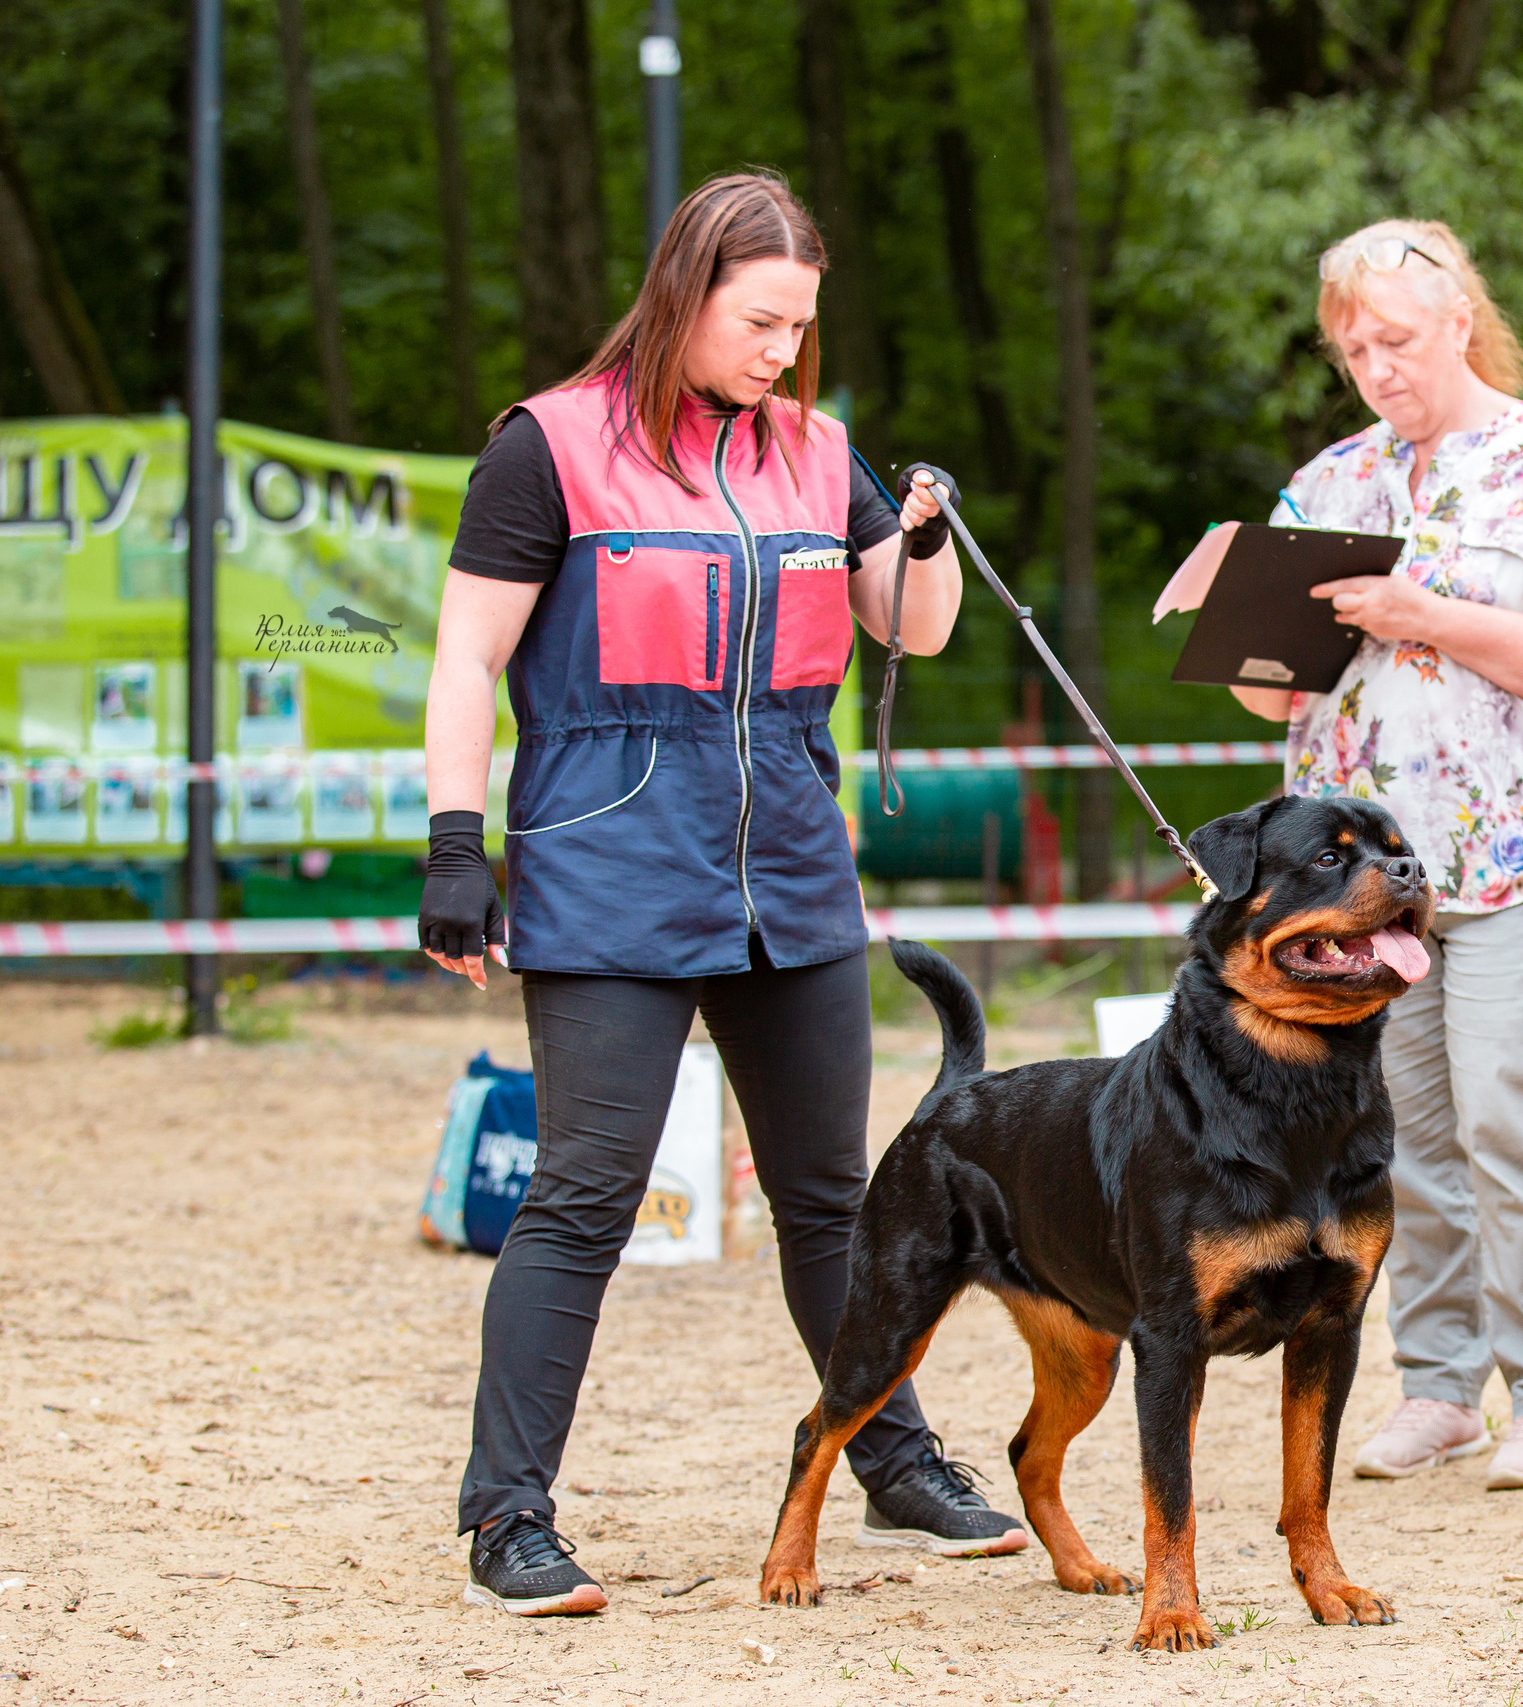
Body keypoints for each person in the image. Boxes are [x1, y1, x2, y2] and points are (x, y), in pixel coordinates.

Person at [418, 173, 1026, 1618]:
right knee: (583, 1193)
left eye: (799, 328)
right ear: (684, 293)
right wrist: (455, 844)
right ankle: (509, 1515)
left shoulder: (818, 452)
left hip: (792, 867)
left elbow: (913, 627)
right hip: (609, 858)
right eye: (758, 321)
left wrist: (925, 526)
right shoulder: (548, 447)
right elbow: (463, 663)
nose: (777, 351)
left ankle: (888, 1456)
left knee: (839, 1196)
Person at [1231, 218, 1523, 1490]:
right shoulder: (1327, 484)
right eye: (1354, 347)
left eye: (1398, 339)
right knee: (1393, 1130)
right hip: (1356, 883)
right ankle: (1436, 1383)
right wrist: (1243, 619)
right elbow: (1262, 700)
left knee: (1509, 1101)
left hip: (1517, 848)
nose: (1376, 366)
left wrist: (1429, 616)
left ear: (1459, 320)